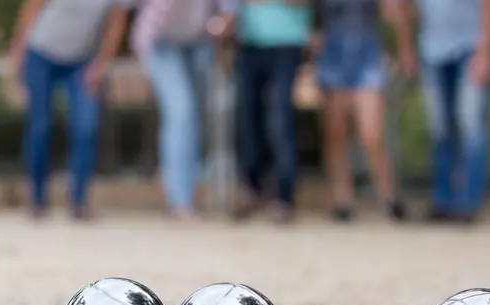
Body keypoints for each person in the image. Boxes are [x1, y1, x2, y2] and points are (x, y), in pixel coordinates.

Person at [8, 0, 130, 220]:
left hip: (82, 61)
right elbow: (31, 7)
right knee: (41, 126)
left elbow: (116, 24)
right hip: (41, 54)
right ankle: (37, 200)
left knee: (86, 127)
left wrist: (101, 65)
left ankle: (78, 200)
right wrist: (19, 49)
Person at [393, 0, 490, 223]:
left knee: (471, 125)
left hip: (470, 48)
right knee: (439, 129)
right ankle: (443, 200)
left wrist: (486, 52)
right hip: (431, 51)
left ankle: (469, 202)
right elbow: (401, 5)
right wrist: (406, 49)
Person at [131, 0, 235, 220]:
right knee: (181, 112)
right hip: (160, 41)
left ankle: (187, 192)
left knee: (194, 119)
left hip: (201, 41)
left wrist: (223, 22)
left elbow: (228, 9)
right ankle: (180, 201)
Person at [311, 0, 408, 222]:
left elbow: (394, 13)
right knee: (336, 134)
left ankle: (389, 199)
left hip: (368, 57)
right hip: (332, 56)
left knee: (371, 134)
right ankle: (342, 201)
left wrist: (402, 49)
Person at [231, 0, 313, 224]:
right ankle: (252, 187)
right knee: (249, 120)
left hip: (287, 42)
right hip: (249, 43)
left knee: (280, 119)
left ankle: (284, 195)